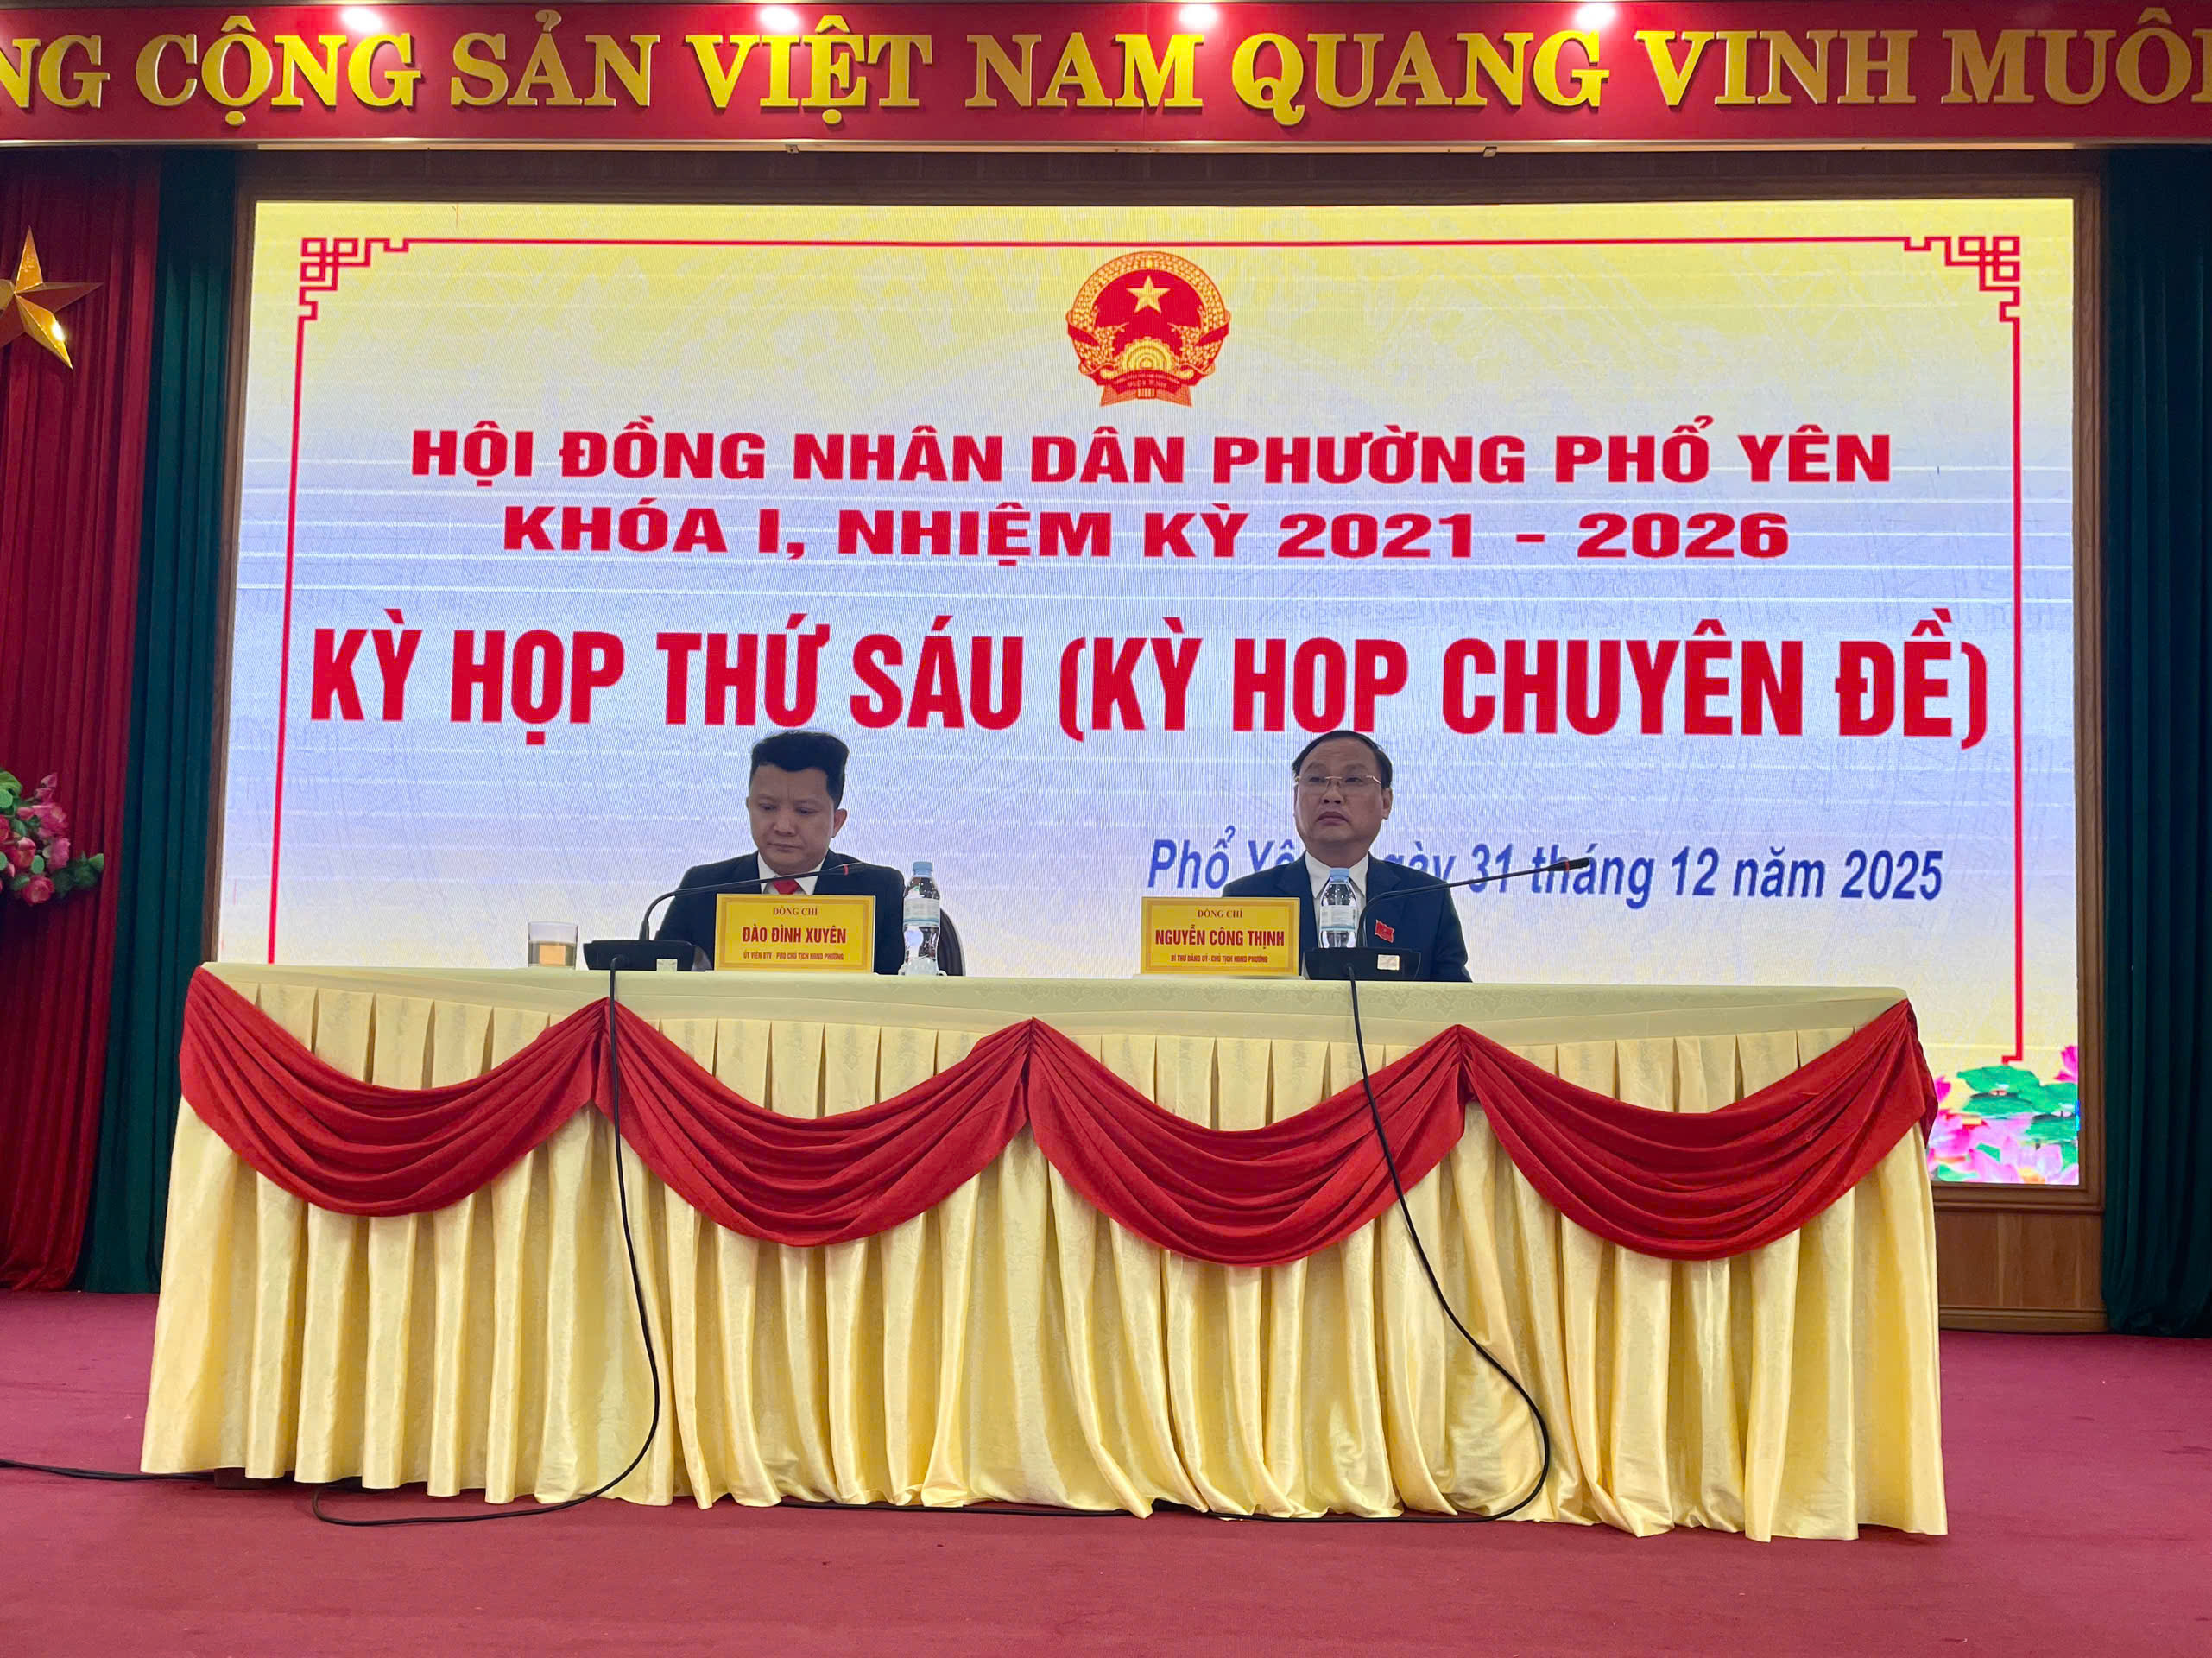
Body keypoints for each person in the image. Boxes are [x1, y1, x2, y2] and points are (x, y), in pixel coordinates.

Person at [1222, 729, 1470, 982]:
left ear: (1386, 802)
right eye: (1316, 779)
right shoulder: (1248, 899)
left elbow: (1458, 1001)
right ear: (1295, 799)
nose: (1332, 796)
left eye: (1353, 780)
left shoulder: (1427, 899)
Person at [657, 730, 907, 972]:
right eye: (767, 807)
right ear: (749, 807)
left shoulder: (879, 892)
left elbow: (904, 990)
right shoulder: (701, 888)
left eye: (804, 811)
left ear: (837, 822)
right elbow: (656, 981)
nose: (783, 827)